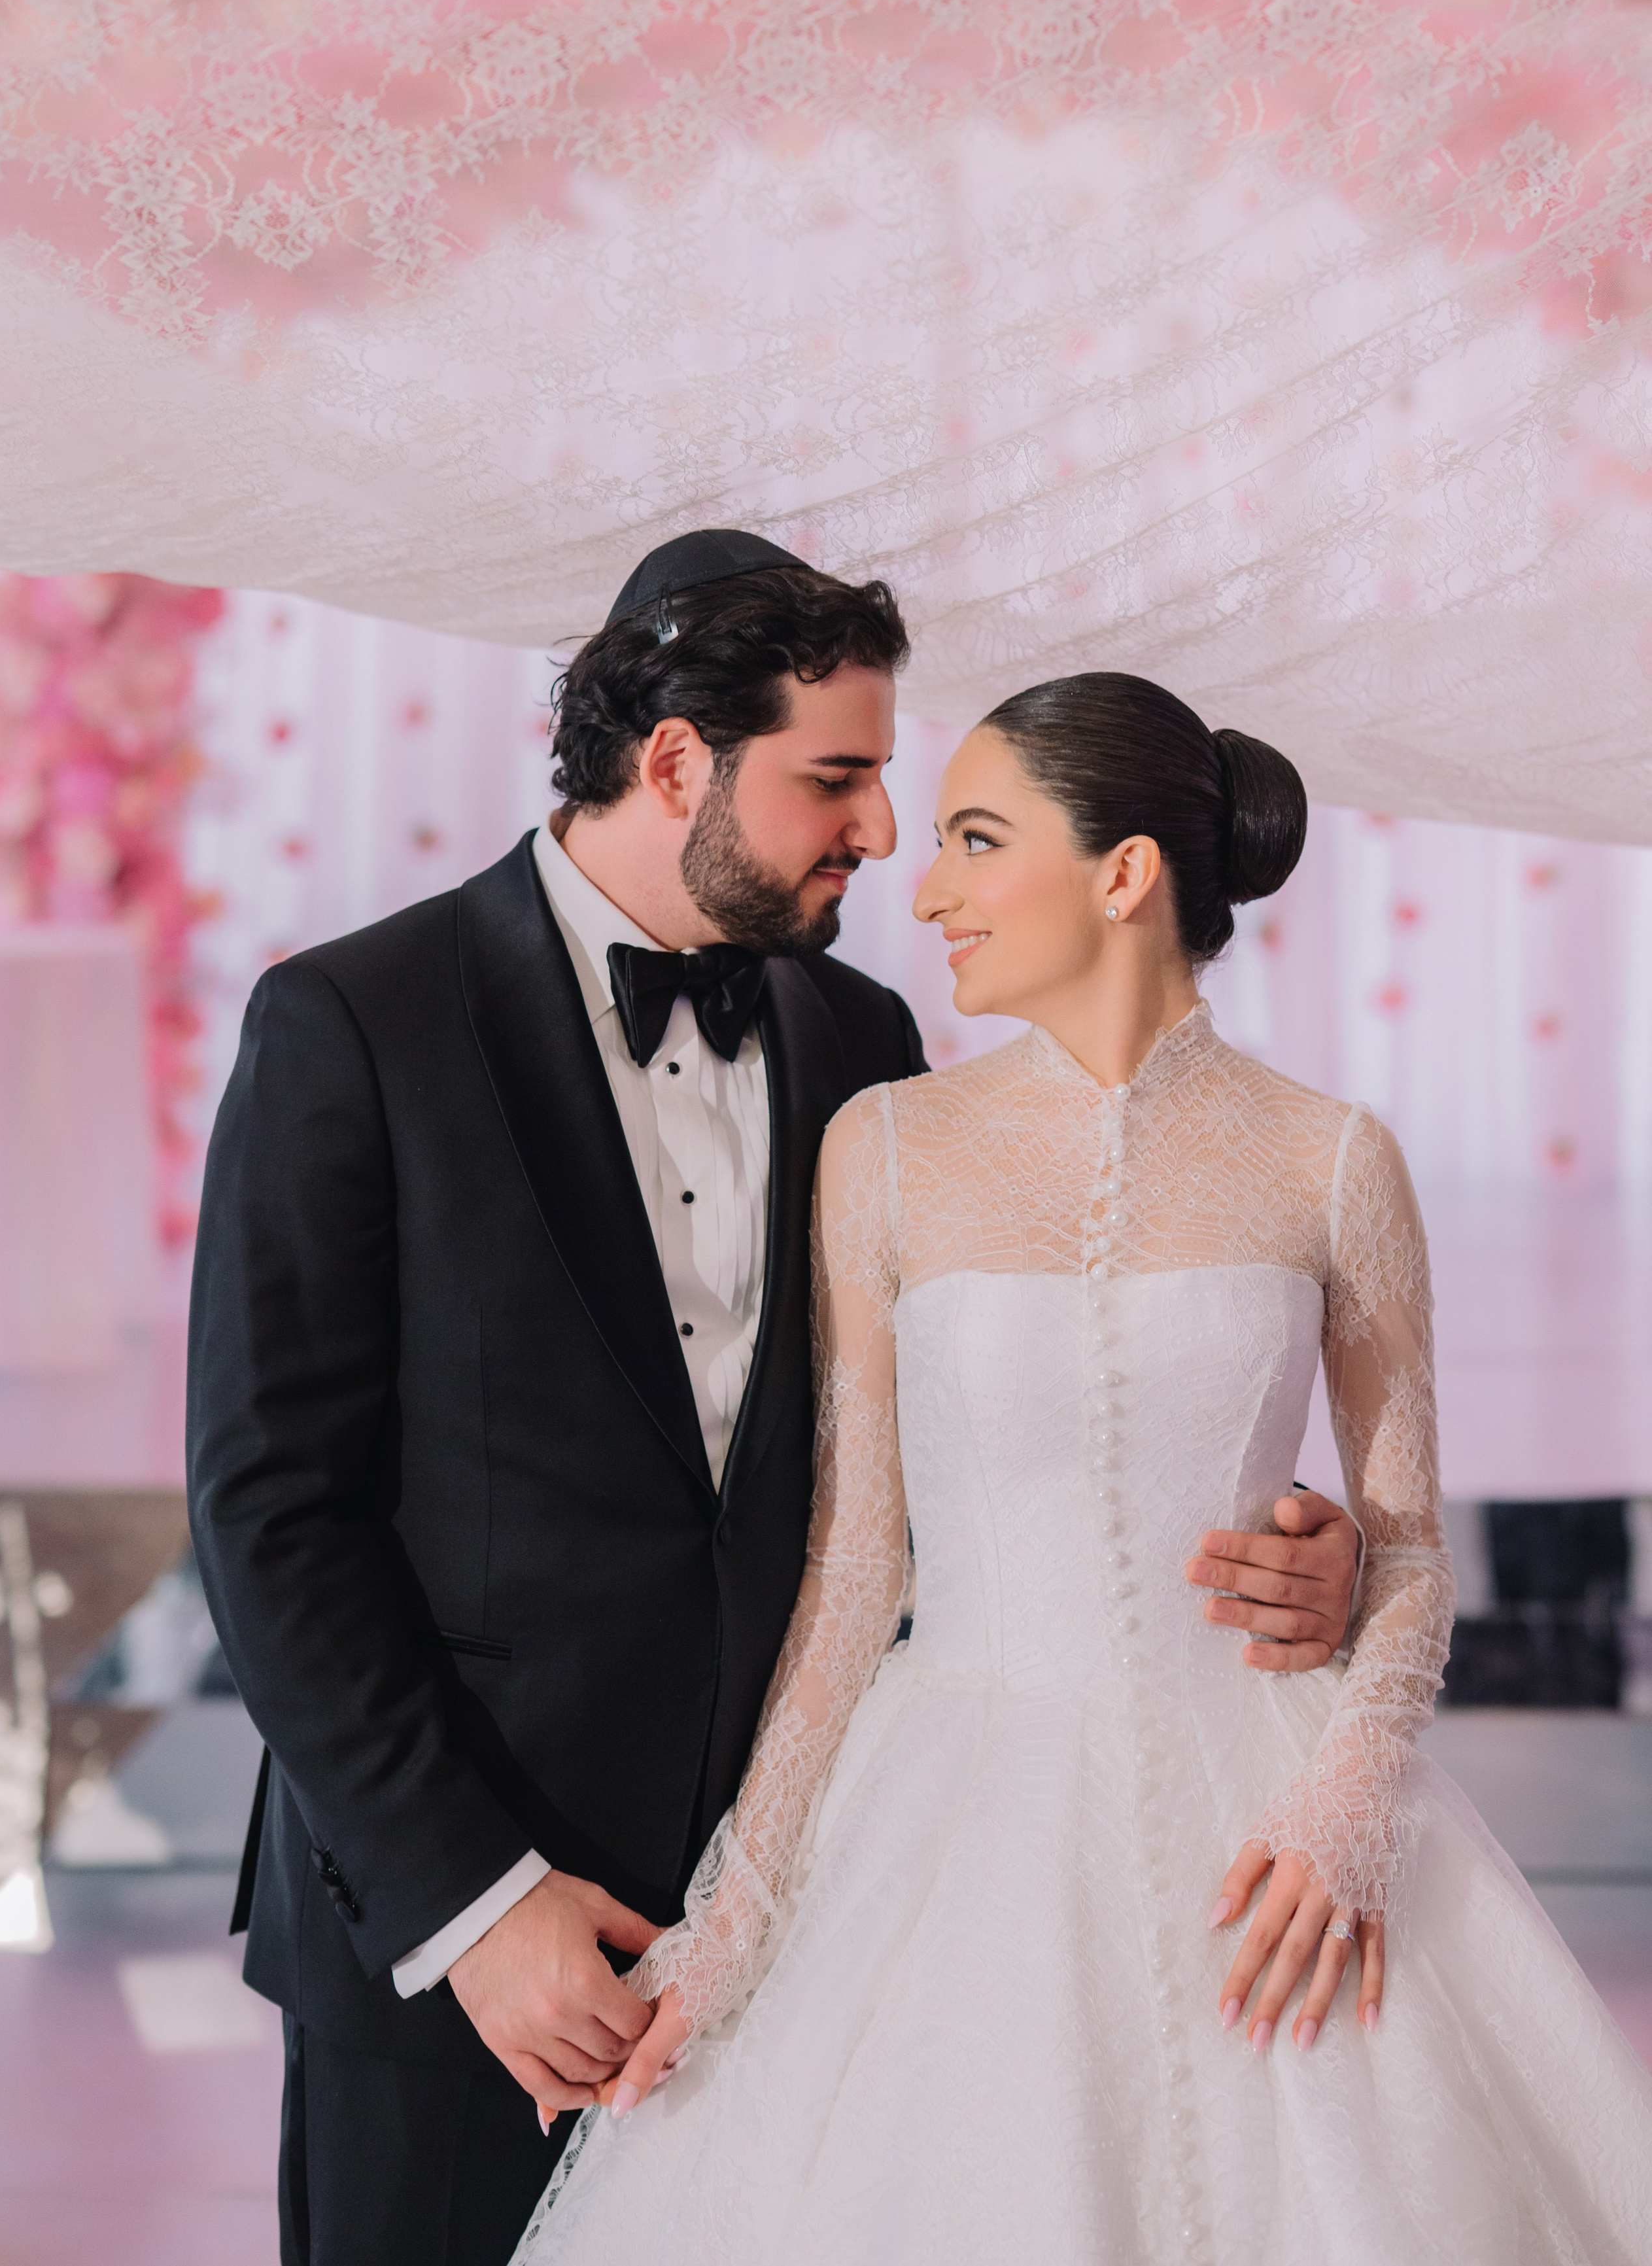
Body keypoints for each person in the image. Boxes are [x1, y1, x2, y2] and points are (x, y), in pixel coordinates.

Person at [186, 549, 1360, 2266]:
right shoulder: (353, 1022)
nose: (883, 832)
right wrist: (481, 1906)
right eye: (839, 777)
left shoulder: (868, 1040)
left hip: (809, 1921)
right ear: (676, 765)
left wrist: (1304, 1549)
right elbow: (270, 1512)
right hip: (456, 1937)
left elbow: (995, 1427)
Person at [516, 671, 1652, 2266]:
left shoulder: (1332, 1157)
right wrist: (736, 1918)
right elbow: (856, 1571)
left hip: (1263, 1810)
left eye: (979, 838)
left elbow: (1401, 1550)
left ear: (1122, 875)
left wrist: (1342, 1810)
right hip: (954, 1823)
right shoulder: (888, 1147)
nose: (926, 884)